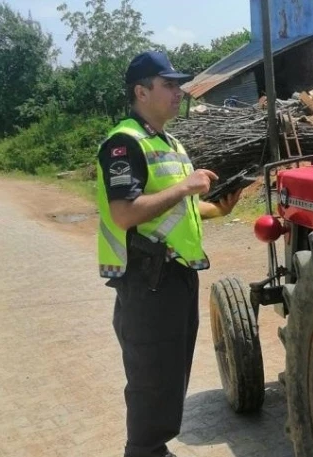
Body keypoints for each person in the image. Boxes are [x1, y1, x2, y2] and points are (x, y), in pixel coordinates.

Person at [96, 50, 241, 457]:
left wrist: (218, 208)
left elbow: (176, 209)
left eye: (179, 85)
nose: (179, 92)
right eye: (169, 85)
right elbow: (125, 213)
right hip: (146, 281)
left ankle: (154, 448)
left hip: (175, 278)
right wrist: (186, 187)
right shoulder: (124, 143)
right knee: (150, 377)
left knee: (170, 372)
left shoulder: (170, 143)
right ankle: (142, 451)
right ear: (141, 92)